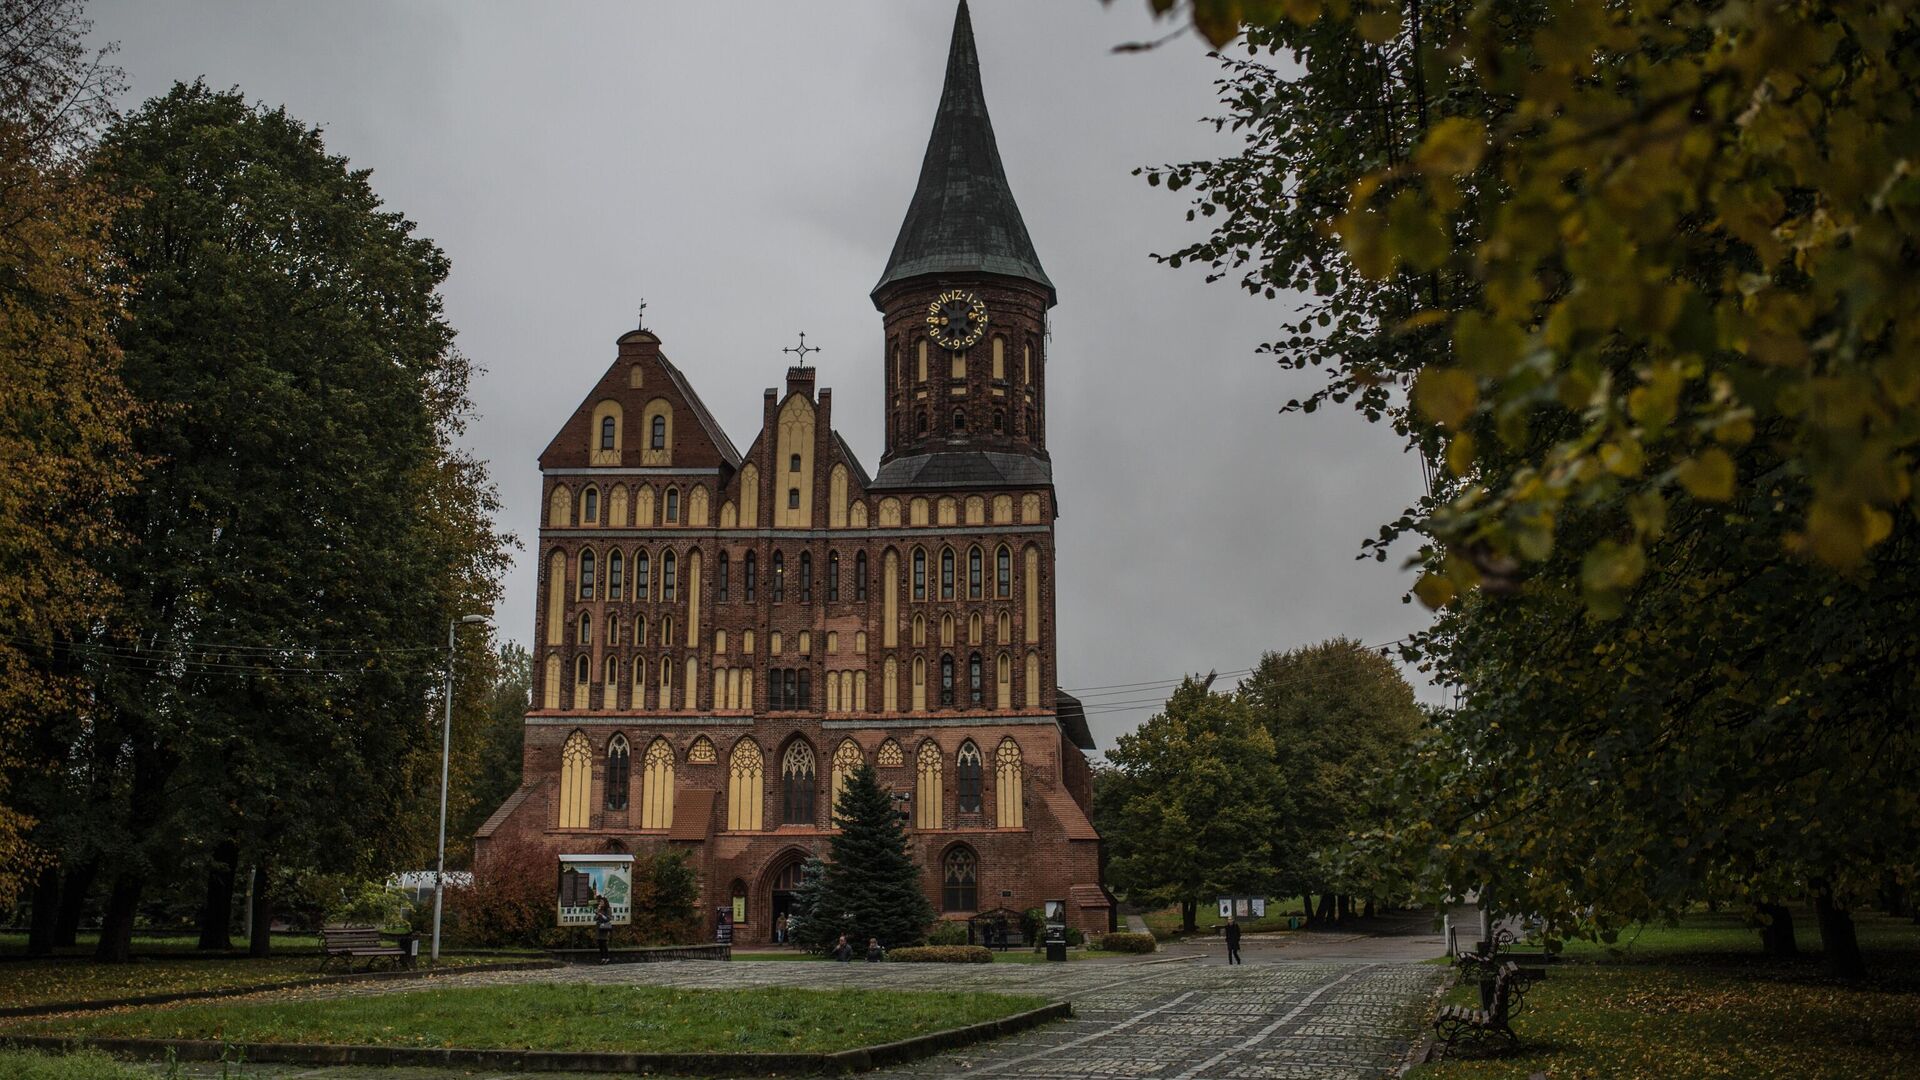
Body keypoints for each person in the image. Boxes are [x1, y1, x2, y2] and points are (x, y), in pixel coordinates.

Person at [595, 895, 614, 965]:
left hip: (604, 927)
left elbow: (609, 918)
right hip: (599, 927)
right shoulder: (599, 909)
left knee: (604, 943)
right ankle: (602, 958)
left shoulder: (608, 909)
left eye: (602, 902)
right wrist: (597, 912)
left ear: (605, 902)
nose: (601, 903)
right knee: (599, 943)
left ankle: (607, 958)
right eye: (600, 902)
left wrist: (601, 915)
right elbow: (595, 918)